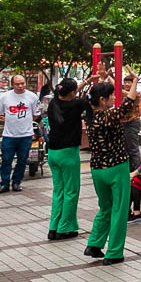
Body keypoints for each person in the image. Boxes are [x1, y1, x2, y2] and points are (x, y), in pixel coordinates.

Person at [81, 75, 141, 261]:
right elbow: (129, 103)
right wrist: (136, 82)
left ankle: (94, 244)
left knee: (105, 208)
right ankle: (114, 253)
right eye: (112, 96)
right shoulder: (108, 116)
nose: (115, 98)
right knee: (120, 210)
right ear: (102, 100)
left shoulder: (90, 116)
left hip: (97, 170)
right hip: (116, 168)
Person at [43, 78, 89, 240]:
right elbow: (90, 102)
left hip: (53, 154)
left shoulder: (53, 102)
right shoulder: (75, 105)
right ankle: (64, 228)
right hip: (68, 153)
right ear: (71, 92)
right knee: (71, 192)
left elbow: (70, 94)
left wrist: (86, 81)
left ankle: (53, 227)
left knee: (59, 192)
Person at [0, 74, 40, 193]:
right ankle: (4, 183)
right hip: (9, 135)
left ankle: (17, 182)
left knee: (22, 160)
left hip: (26, 135)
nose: (20, 86)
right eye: (17, 84)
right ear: (12, 85)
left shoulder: (32, 97)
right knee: (6, 159)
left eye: (22, 83)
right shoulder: (4, 97)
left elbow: (36, 115)